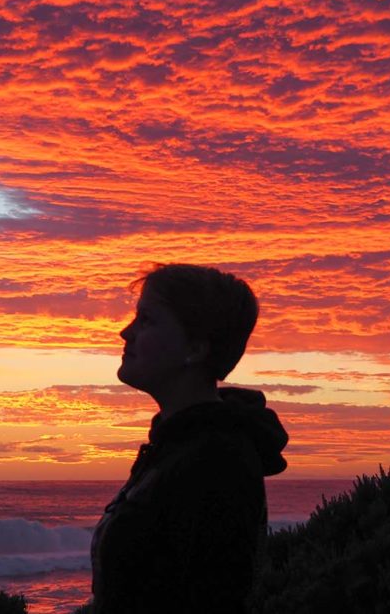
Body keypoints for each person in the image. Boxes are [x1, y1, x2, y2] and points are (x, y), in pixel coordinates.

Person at [87, 263, 289, 614]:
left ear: (195, 349)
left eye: (146, 320)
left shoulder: (217, 461)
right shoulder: (174, 446)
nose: (126, 332)